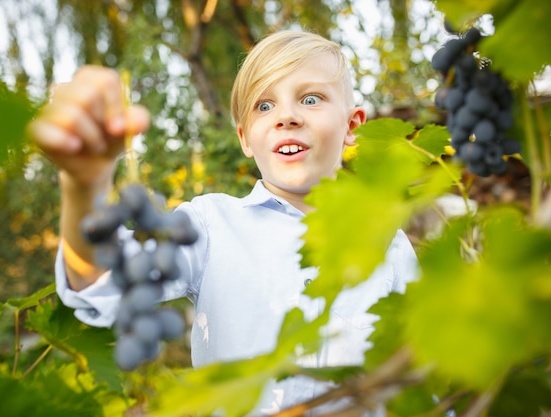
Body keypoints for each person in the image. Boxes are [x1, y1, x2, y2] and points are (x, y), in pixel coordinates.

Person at [27, 29, 419, 415]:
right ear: (245, 138)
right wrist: (84, 187)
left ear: (352, 126)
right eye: (264, 106)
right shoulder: (210, 225)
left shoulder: (391, 243)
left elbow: (423, 377)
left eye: (310, 98)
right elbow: (99, 280)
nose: (286, 116)